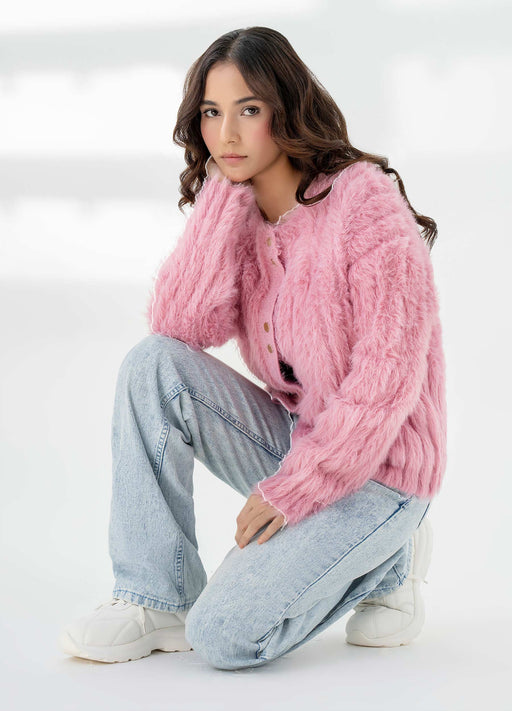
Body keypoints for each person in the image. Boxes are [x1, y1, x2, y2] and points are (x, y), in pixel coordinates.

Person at [58, 26, 446, 669]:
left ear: (285, 110)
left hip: (381, 470)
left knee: (225, 637)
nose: (227, 134)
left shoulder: (364, 204)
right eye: (212, 114)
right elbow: (179, 327)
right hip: (299, 440)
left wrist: (295, 490)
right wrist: (220, 198)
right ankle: (157, 598)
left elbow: (388, 384)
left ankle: (388, 560)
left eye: (249, 110)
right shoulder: (241, 213)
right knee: (151, 365)